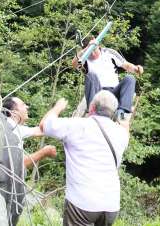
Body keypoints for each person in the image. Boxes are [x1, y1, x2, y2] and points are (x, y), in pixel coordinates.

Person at [40, 91, 129, 226]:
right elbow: (125, 125)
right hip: (111, 203)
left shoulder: (77, 125)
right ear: (114, 112)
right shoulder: (122, 134)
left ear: (92, 108)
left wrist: (58, 107)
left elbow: (44, 125)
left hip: (83, 202)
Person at [0, 96, 57, 226]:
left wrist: (55, 110)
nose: (27, 107)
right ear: (13, 112)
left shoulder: (15, 128)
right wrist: (44, 152)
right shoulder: (8, 131)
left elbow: (41, 129)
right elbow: (17, 165)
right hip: (5, 191)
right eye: (23, 105)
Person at [72, 39, 143, 120]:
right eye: (90, 52)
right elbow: (74, 65)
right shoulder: (84, 59)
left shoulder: (109, 52)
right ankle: (92, 112)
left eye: (94, 50)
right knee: (91, 75)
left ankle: (122, 112)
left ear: (98, 46)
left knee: (130, 79)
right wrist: (86, 49)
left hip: (114, 91)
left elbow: (126, 65)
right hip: (97, 93)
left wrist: (136, 69)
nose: (93, 53)